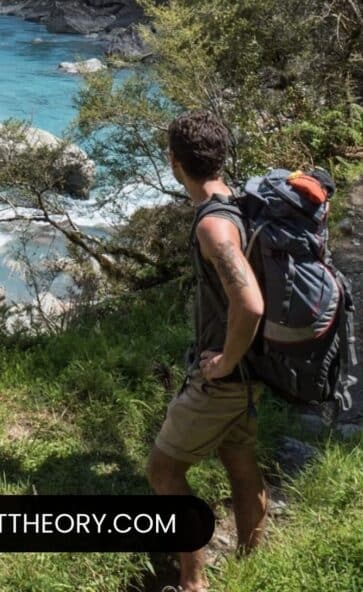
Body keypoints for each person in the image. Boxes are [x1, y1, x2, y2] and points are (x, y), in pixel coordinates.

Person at [146, 110, 267, 592]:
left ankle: (193, 584)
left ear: (175, 162)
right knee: (239, 459)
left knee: (164, 470)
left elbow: (251, 303)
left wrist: (226, 362)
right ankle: (250, 564)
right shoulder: (234, 202)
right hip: (250, 372)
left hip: (225, 377)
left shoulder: (212, 226)